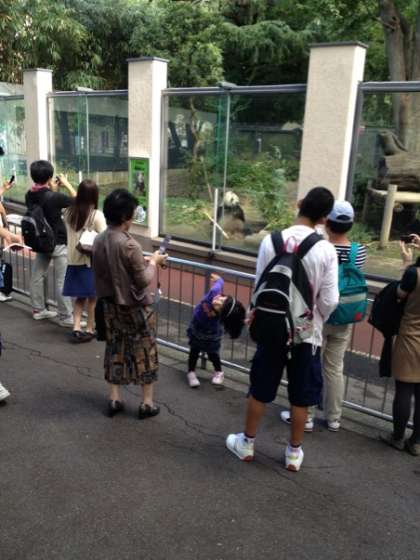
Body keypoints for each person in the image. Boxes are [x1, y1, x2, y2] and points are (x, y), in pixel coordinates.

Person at [226, 187, 339, 472]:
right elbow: (329, 301)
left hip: (272, 329)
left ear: (300, 204)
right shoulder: (325, 250)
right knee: (300, 396)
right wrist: (314, 318)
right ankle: (293, 453)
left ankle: (247, 443)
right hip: (306, 334)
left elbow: (260, 283)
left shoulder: (270, 241)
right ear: (324, 219)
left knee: (260, 388)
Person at [280, 200, 367, 432]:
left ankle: (306, 416)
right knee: (335, 367)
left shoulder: (320, 248)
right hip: (345, 316)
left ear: (327, 222)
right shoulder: (359, 251)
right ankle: (334, 418)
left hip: (318, 314)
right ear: (351, 224)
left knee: (311, 364)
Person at [92, 189, 167, 418]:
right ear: (126, 216)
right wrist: (153, 262)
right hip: (135, 307)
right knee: (145, 349)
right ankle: (147, 403)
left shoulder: (99, 239)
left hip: (110, 305)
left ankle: (114, 398)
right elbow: (143, 280)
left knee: (115, 347)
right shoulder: (130, 245)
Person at [380, 234, 420, 456]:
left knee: (405, 389)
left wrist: (406, 264)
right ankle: (416, 442)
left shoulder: (415, 274)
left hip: (410, 336)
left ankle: (397, 437)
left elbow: (398, 295)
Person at [25, 160, 77, 326]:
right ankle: (66, 316)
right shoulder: (55, 197)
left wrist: (52, 189)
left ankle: (38, 310)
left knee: (37, 275)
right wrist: (66, 184)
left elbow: (45, 209)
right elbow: (77, 200)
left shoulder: (29, 195)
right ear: (49, 177)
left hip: (41, 241)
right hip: (58, 242)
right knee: (62, 280)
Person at [62, 179, 106, 342]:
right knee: (92, 298)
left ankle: (76, 327)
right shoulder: (96, 215)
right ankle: (89, 328)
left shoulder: (68, 213)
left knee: (80, 297)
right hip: (89, 262)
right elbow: (105, 236)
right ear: (95, 195)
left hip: (73, 260)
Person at [186, 273, 245, 388]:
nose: (217, 301)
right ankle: (191, 372)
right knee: (194, 351)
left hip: (211, 334)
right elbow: (220, 283)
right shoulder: (214, 292)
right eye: (222, 298)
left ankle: (219, 371)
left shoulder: (217, 318)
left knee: (213, 353)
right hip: (197, 328)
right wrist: (218, 279)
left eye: (220, 306)